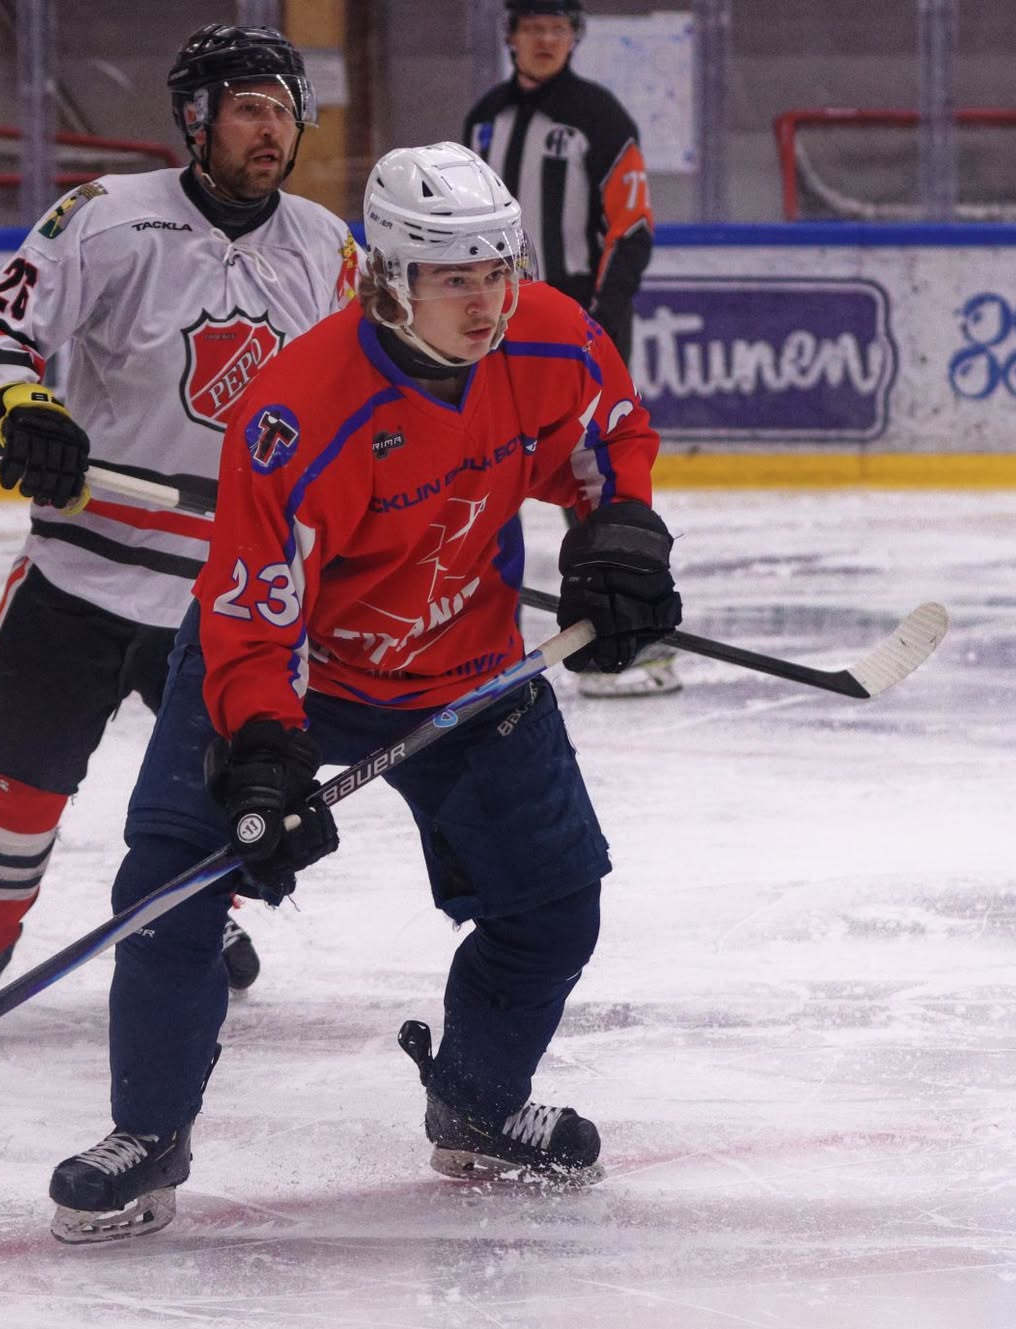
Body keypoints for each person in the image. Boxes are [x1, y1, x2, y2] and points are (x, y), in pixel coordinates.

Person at [45, 142, 682, 1243]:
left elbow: (607, 436)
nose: (485, 302)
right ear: (389, 278)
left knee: (551, 902)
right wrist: (262, 752)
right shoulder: (298, 408)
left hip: (467, 667)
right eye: (454, 278)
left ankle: (478, 1102)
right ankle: (146, 1135)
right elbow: (253, 607)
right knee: (168, 885)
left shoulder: (550, 337)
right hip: (294, 667)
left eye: (497, 271)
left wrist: (618, 531)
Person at [0, 24, 357, 1039]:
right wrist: (20, 407)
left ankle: (197, 911)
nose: (270, 130)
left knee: (224, 781)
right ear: (196, 119)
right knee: (20, 774)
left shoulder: (326, 249)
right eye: (248, 109)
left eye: (284, 112)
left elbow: (364, 397)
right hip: (84, 564)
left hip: (231, 584)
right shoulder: (106, 218)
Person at [461, 0, 678, 698]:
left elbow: (631, 227)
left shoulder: (600, 117)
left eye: (559, 28)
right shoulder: (484, 119)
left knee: (596, 473)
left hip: (573, 332)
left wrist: (601, 322)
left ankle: (630, 626)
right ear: (511, 36)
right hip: (484, 329)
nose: (547, 39)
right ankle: (458, 634)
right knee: (471, 469)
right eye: (534, 27)